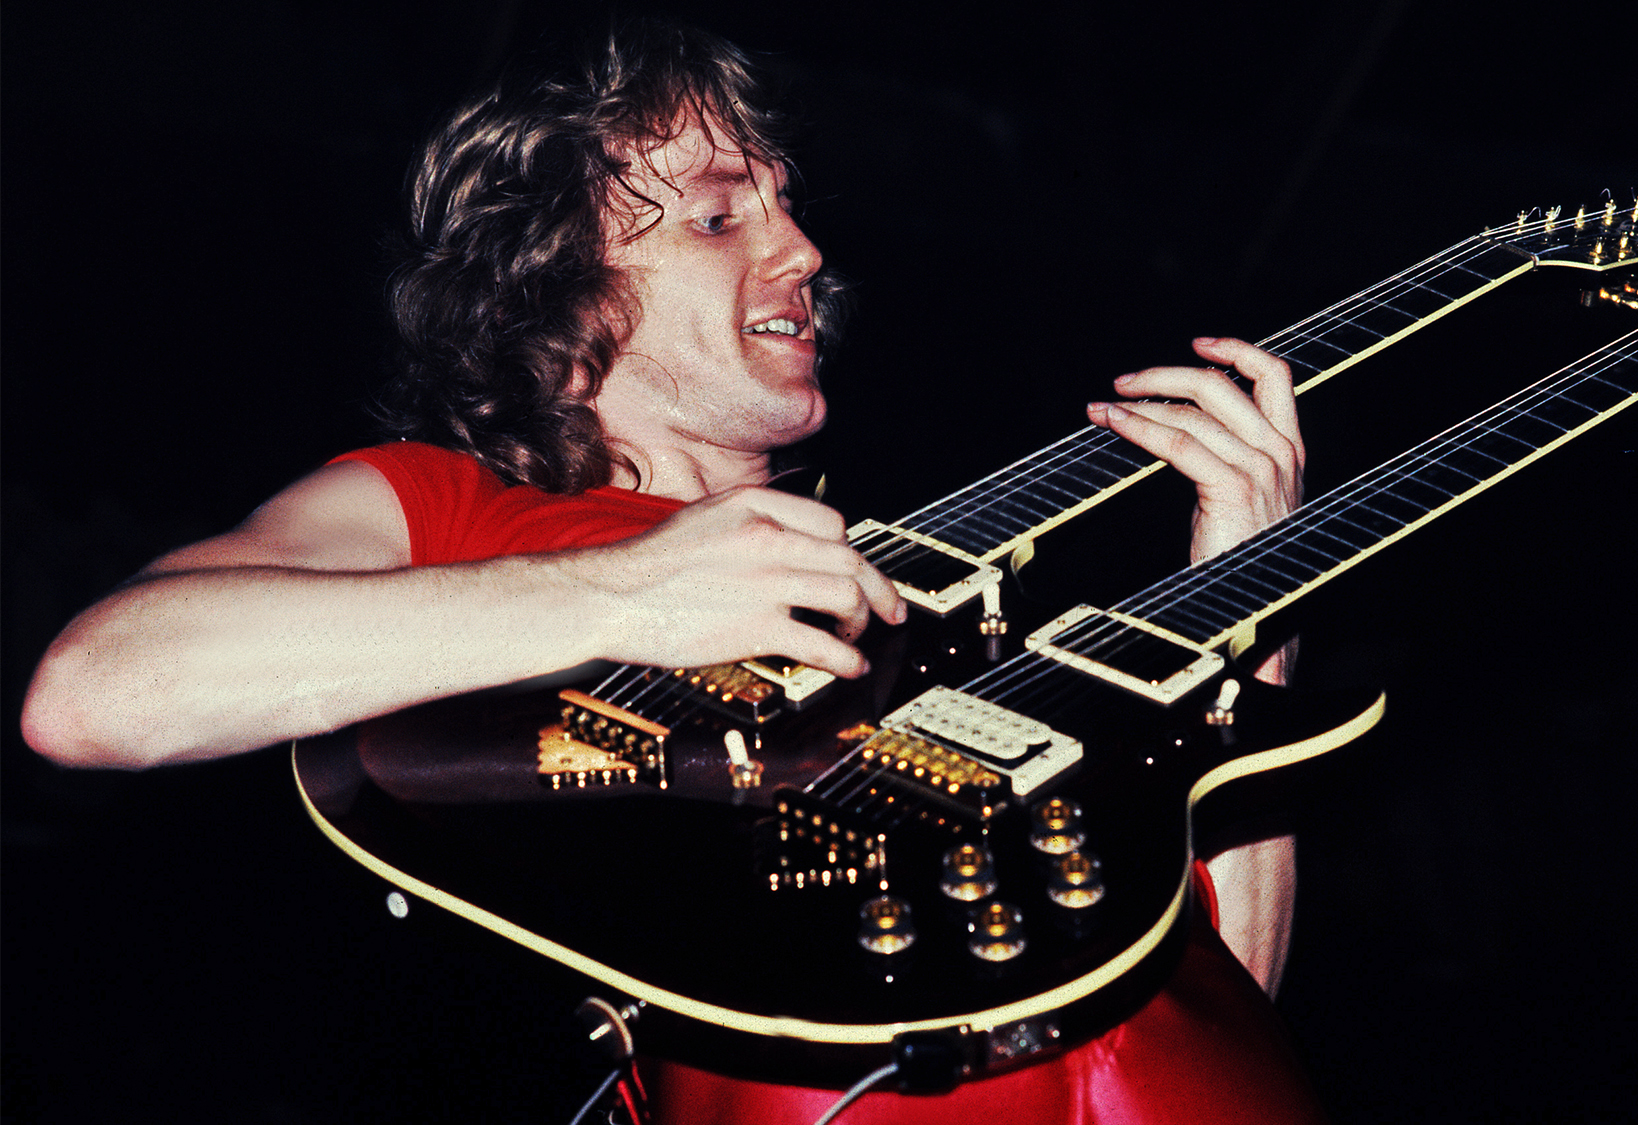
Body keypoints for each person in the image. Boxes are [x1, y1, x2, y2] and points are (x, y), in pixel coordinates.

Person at [22, 18, 1318, 1123]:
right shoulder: (447, 506)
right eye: (717, 213)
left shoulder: (929, 605)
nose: (804, 250)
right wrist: (628, 590)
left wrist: (1251, 600)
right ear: (559, 288)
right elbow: (97, 691)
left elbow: (1219, 995)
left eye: (792, 204)